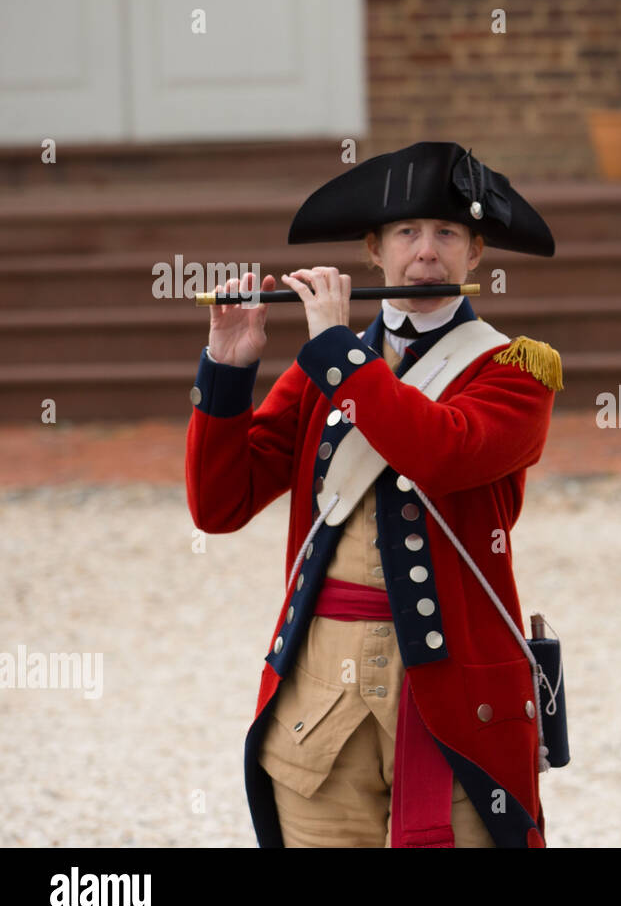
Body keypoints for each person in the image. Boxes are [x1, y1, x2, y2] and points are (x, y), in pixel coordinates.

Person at [186, 141, 562, 847]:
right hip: (320, 692)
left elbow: (438, 450)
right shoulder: (325, 370)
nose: (427, 251)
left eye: (448, 233)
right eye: (407, 233)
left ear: (476, 254)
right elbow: (220, 504)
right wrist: (228, 369)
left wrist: (336, 350)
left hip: (455, 697)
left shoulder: (515, 369)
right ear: (372, 249)